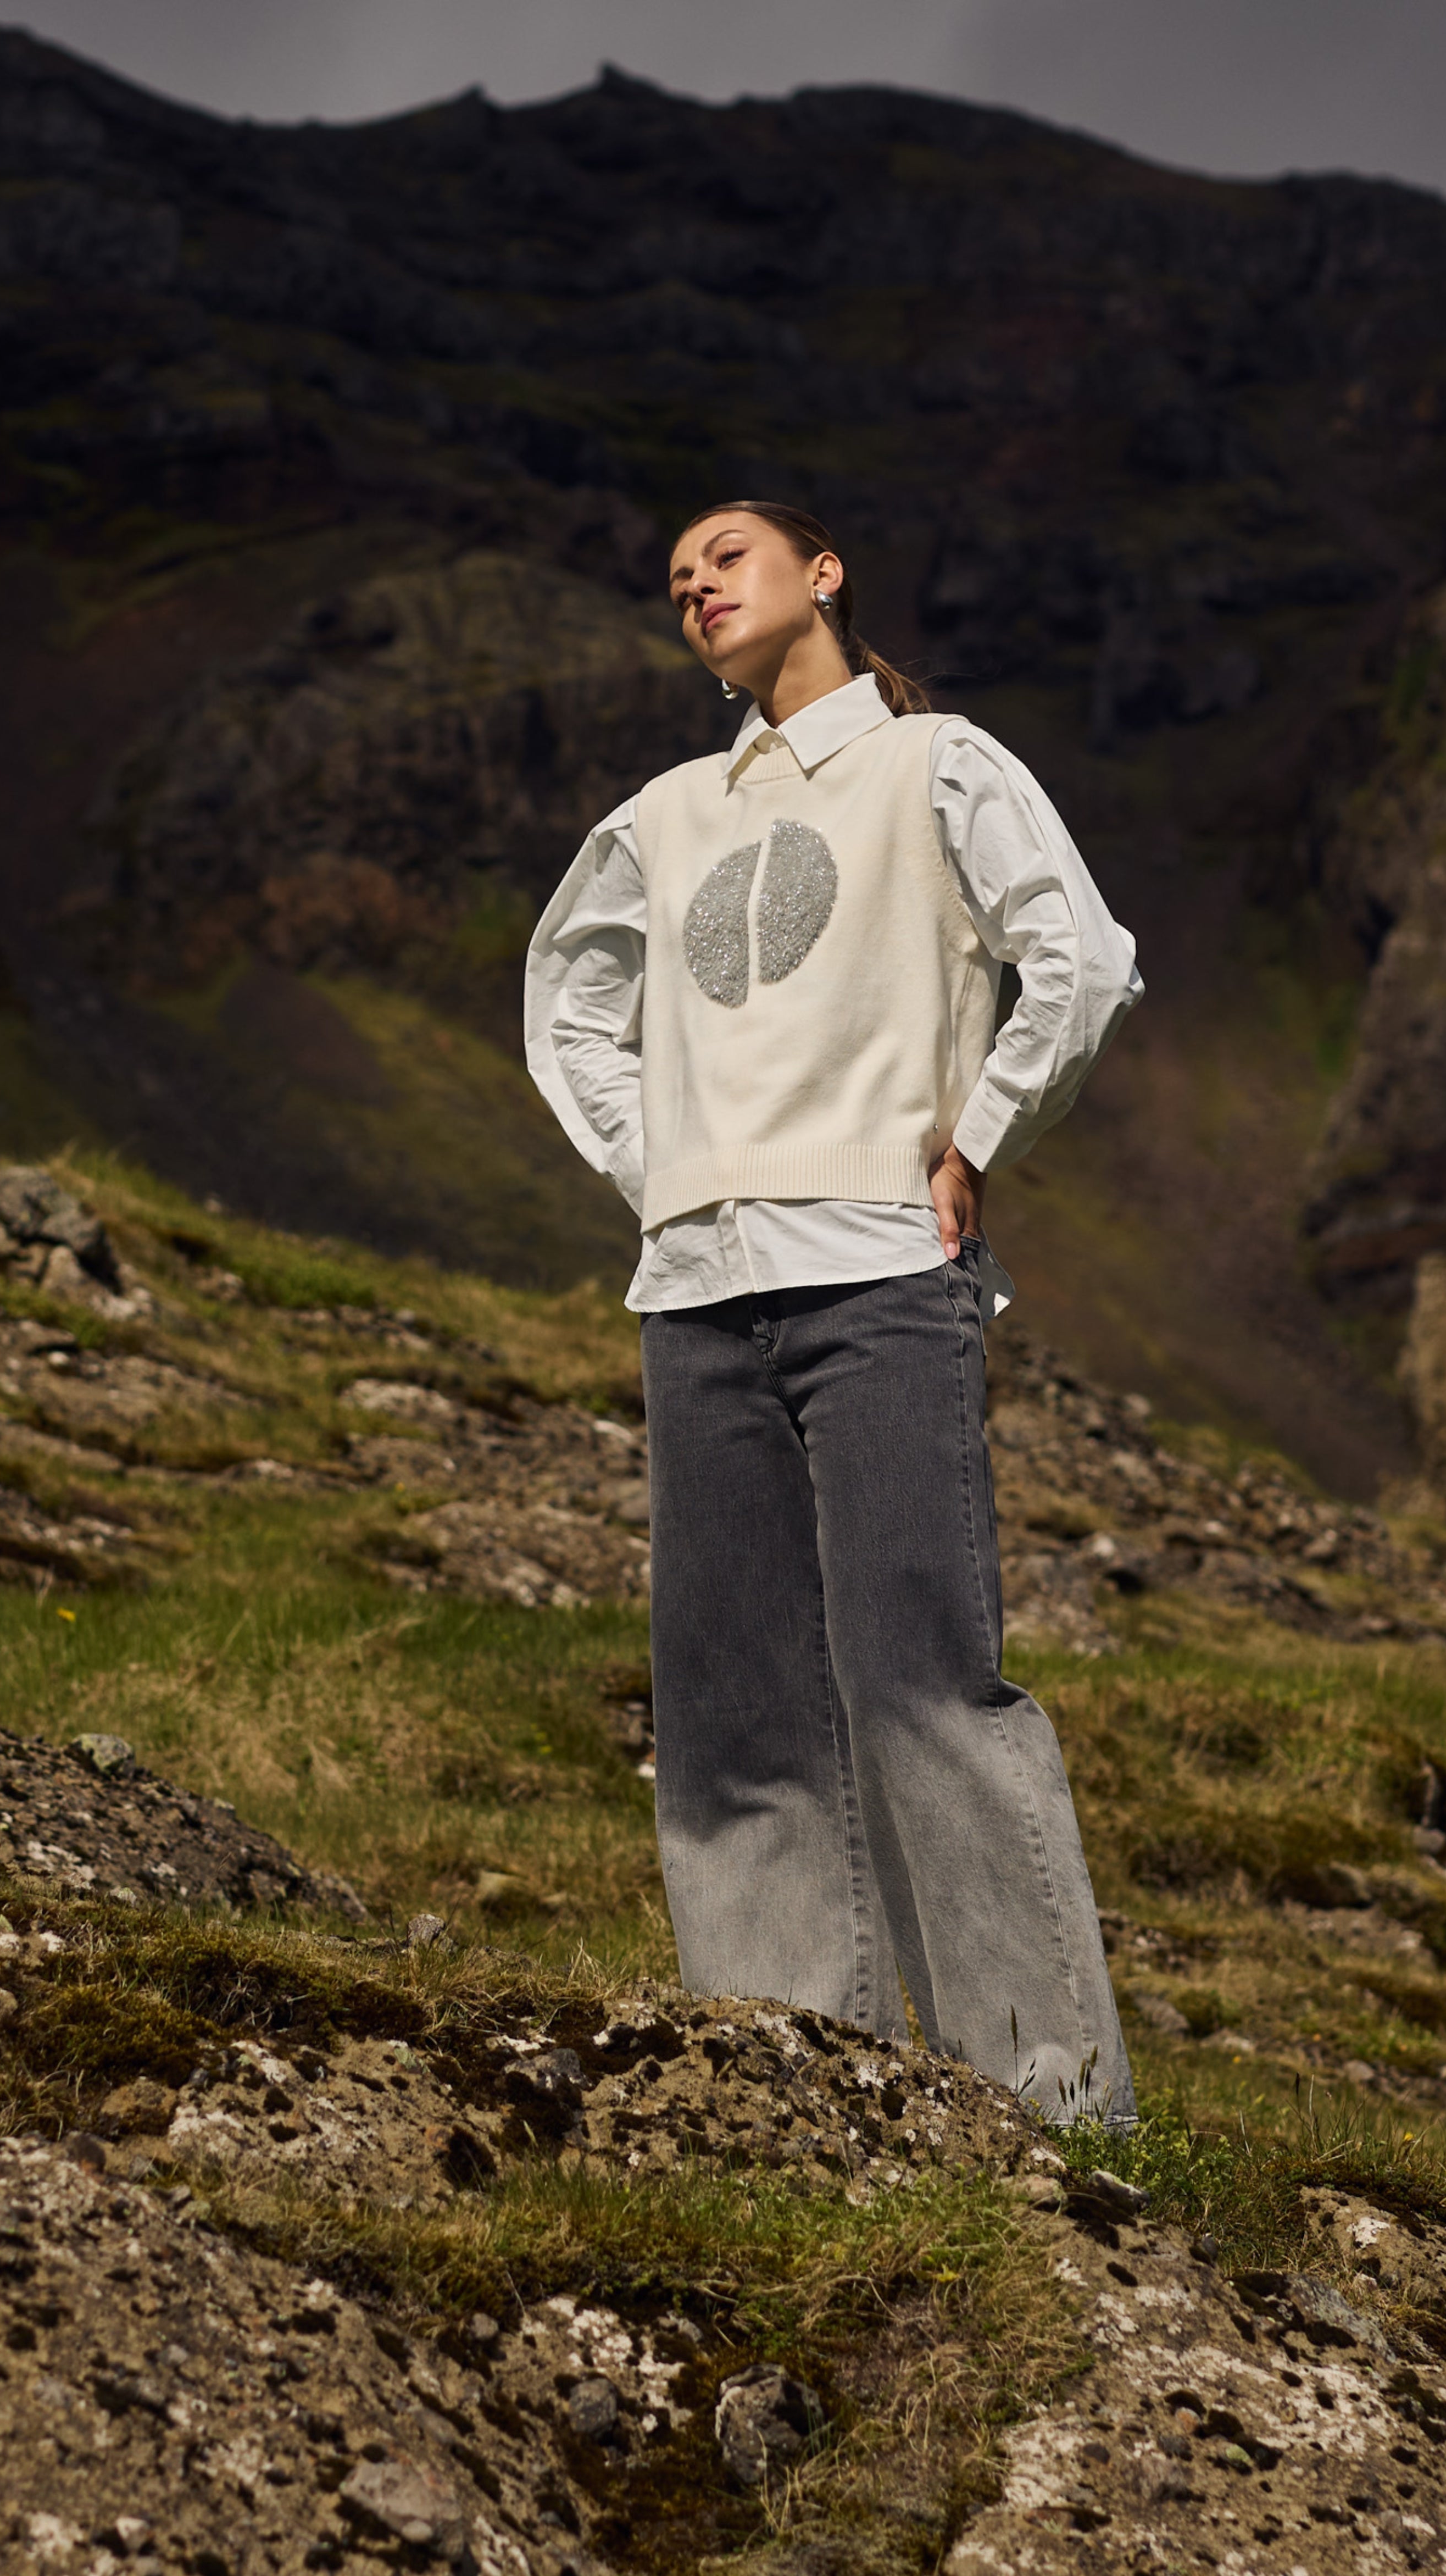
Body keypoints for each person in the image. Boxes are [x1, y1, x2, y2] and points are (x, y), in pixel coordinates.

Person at [525, 500, 1141, 2120]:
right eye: (677, 580)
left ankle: (1051, 2109)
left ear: (823, 573)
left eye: (725, 556)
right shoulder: (663, 815)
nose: (696, 586)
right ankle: (787, 2091)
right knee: (730, 1711)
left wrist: (980, 1135)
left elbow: (1078, 959)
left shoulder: (936, 765)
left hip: (880, 1271)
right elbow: (568, 1007)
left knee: (922, 1685)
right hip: (697, 1295)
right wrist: (667, 1172)